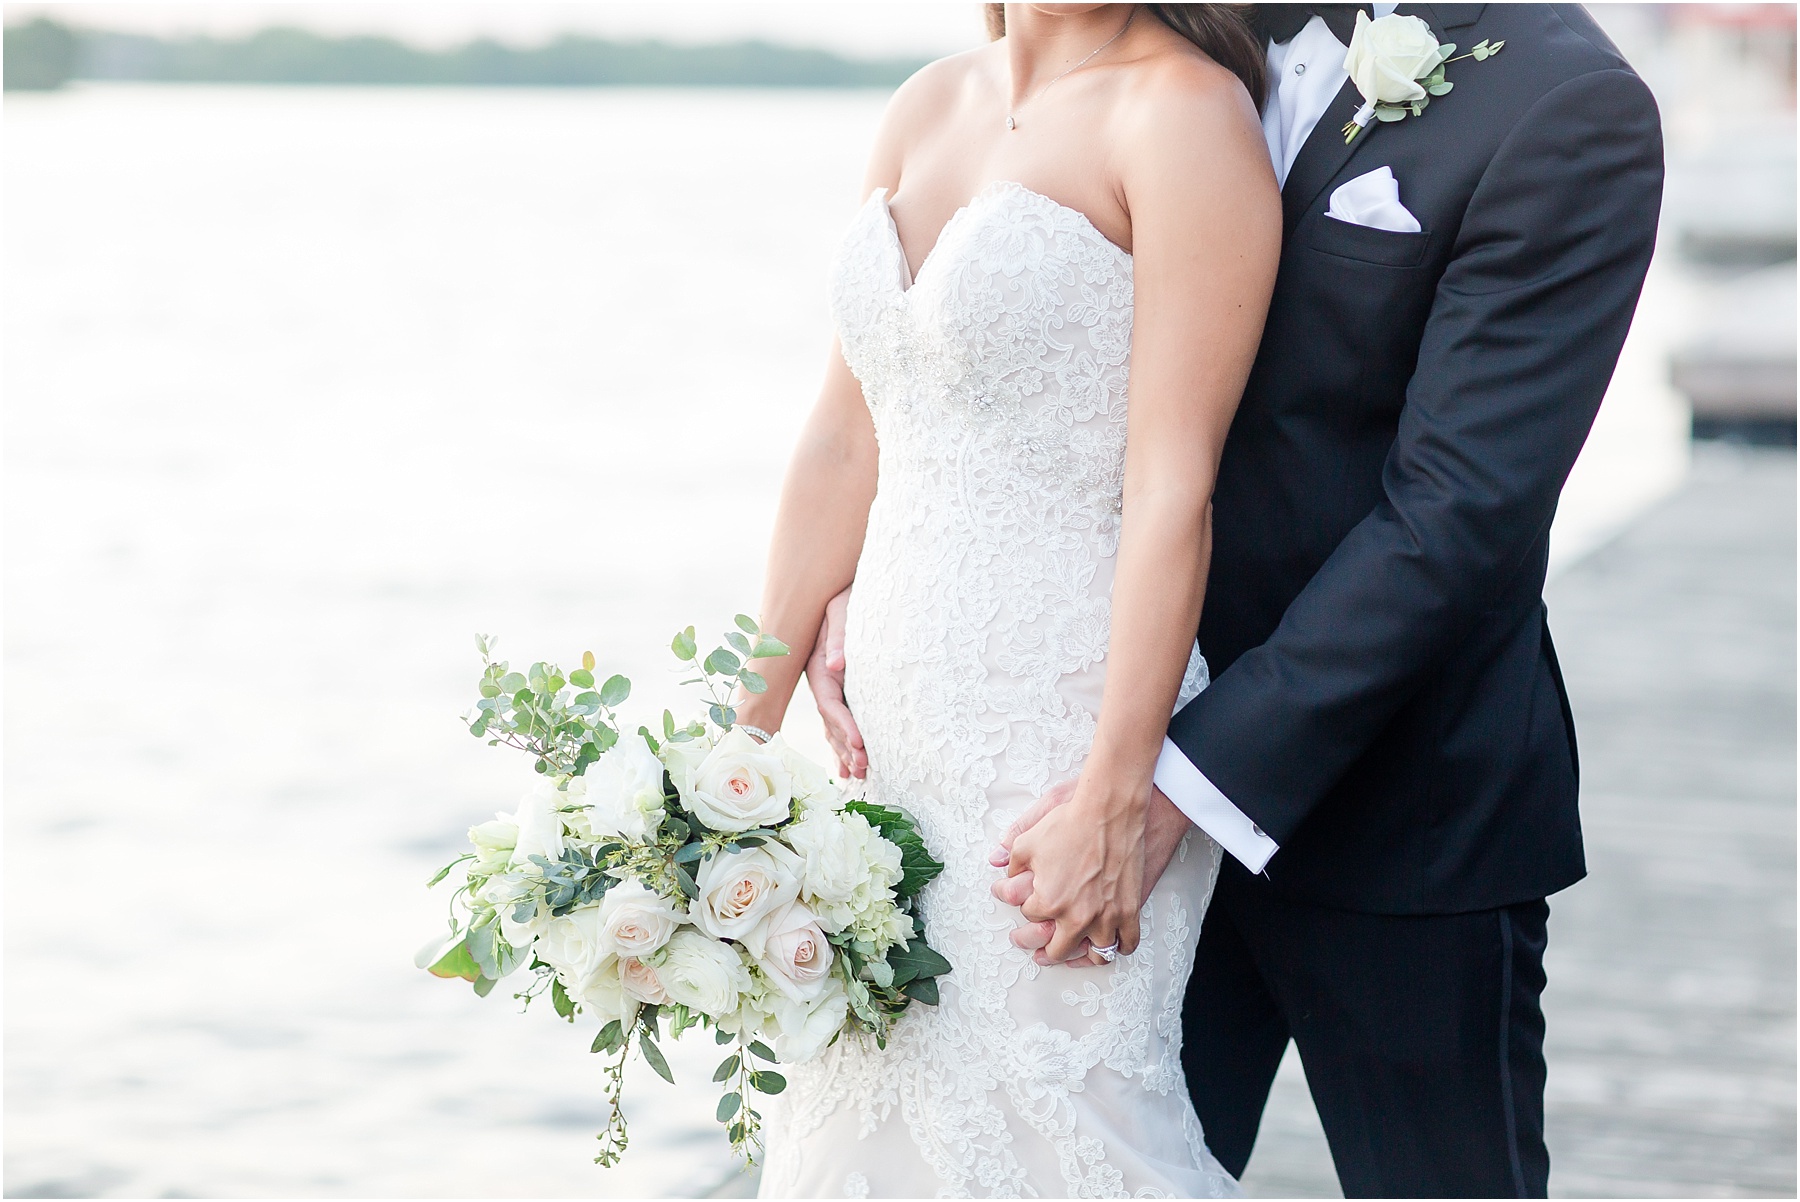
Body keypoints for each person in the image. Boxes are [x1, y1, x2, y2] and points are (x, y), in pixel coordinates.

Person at [816, 3, 1665, 1196]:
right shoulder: (1168, 25)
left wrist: (1173, 783)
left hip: (1392, 817)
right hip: (1071, 781)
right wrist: (871, 586)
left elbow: (1456, 518)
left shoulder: (1564, 102)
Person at [729, 3, 1280, 1195]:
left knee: (1059, 1123)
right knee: (866, 1107)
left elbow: (1174, 485)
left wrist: (1121, 790)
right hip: (890, 740)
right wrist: (725, 759)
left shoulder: (1182, 114)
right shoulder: (926, 104)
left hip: (1065, 731)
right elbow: (841, 438)